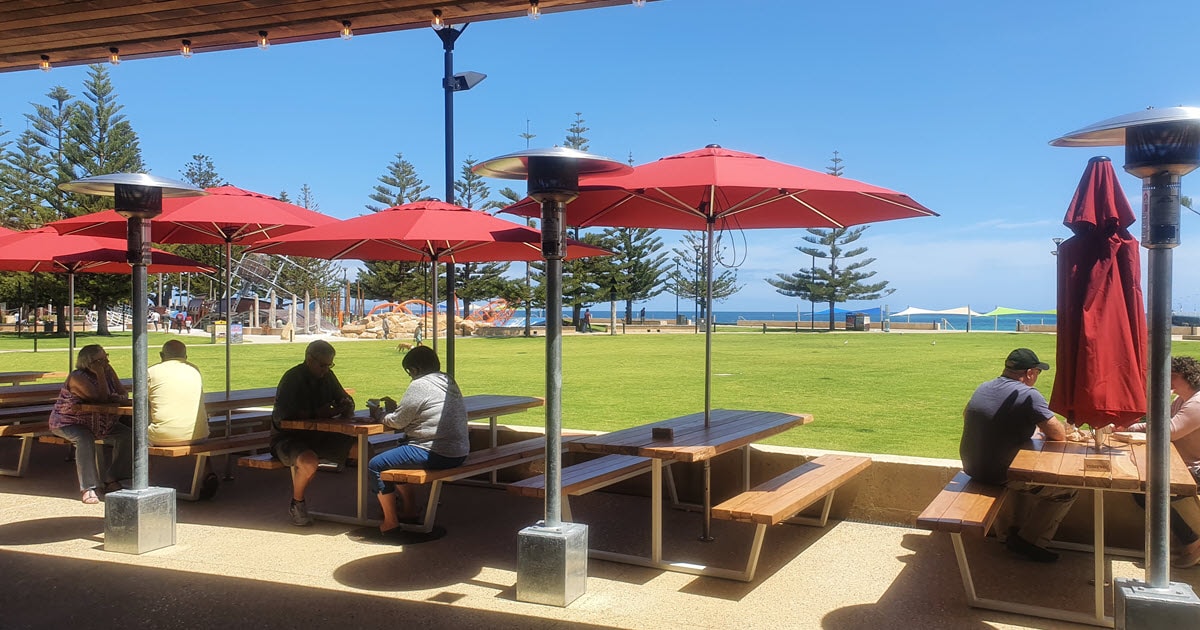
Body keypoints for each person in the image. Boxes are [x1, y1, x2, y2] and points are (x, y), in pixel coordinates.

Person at [960, 348, 1077, 562]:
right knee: (1066, 490)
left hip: (971, 467)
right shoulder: (1029, 394)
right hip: (997, 474)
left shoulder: (984, 387)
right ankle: (1030, 541)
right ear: (1030, 373)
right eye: (1038, 373)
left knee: (1016, 475)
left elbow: (967, 414)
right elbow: (1059, 435)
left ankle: (1008, 534)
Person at [367, 346, 468, 534]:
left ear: (415, 370)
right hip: (459, 451)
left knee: (376, 464)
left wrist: (378, 414)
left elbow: (397, 422)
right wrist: (397, 410)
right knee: (398, 453)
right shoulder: (447, 380)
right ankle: (409, 510)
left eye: (409, 372)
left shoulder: (419, 384)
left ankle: (390, 522)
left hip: (435, 451)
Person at [270, 340, 356, 526]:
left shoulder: (328, 377)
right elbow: (282, 418)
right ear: (309, 359)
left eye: (330, 365)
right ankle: (297, 502)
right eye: (323, 365)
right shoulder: (292, 379)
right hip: (288, 439)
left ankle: (384, 499)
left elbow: (343, 397)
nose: (326, 369)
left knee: (364, 451)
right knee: (309, 461)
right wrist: (316, 414)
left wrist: (346, 405)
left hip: (321, 436)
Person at [1128, 355, 1200, 568]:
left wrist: (1136, 428)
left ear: (1179, 376)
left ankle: (1192, 542)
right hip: (1181, 463)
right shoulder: (1182, 400)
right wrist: (1132, 427)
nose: (1164, 380)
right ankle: (1189, 540)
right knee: (1143, 489)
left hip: (1194, 468)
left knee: (1150, 490)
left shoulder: (1196, 403)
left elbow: (1168, 431)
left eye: (1168, 376)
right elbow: (1158, 421)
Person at [49, 344, 131, 504]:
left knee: (129, 435)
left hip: (102, 423)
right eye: (101, 360)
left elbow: (123, 393)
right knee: (84, 439)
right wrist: (100, 374)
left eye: (107, 357)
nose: (106, 362)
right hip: (70, 422)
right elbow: (99, 399)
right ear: (89, 362)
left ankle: (112, 477)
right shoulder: (77, 377)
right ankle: (88, 487)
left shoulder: (107, 371)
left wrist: (110, 376)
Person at [147, 339, 219, 499]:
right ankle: (208, 473)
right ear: (185, 356)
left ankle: (146, 480)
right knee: (200, 432)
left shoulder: (151, 372)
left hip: (162, 436)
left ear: (161, 355)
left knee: (137, 437)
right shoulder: (194, 369)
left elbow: (141, 401)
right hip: (199, 435)